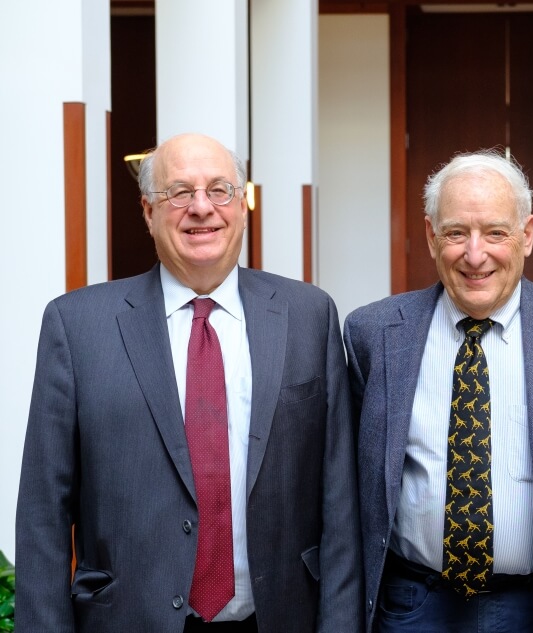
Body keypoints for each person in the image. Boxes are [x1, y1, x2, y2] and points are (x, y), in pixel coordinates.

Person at [15, 133, 362, 633]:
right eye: (180, 192)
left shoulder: (309, 316)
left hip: (280, 617)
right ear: (148, 211)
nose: (202, 208)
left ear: (242, 205)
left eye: (220, 190)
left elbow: (340, 505)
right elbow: (44, 511)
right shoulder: (77, 326)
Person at [344, 149, 533, 632]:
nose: (476, 254)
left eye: (496, 232)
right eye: (456, 233)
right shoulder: (373, 333)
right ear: (432, 237)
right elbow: (352, 485)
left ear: (526, 235)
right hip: (414, 605)